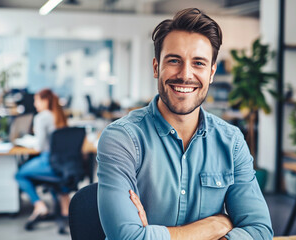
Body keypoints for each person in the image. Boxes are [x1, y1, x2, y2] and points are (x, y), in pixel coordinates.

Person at [96, 8, 273, 240]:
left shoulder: (231, 142)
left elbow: (259, 230)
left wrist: (152, 234)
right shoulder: (122, 139)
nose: (185, 74)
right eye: (174, 60)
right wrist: (215, 226)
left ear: (211, 72)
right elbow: (127, 238)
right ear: (156, 67)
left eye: (198, 63)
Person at [15, 88, 70, 228]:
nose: (35, 104)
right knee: (56, 178)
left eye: (36, 100)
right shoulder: (59, 115)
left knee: (20, 174)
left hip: (49, 161)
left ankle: (39, 205)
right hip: (65, 163)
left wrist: (27, 141)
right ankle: (65, 207)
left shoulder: (41, 117)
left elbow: (39, 146)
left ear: (45, 100)